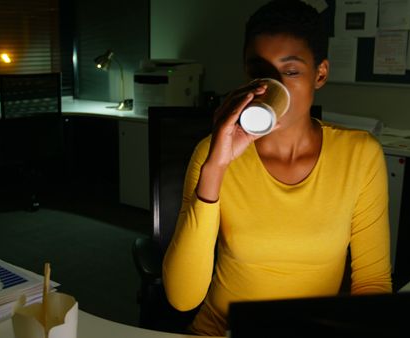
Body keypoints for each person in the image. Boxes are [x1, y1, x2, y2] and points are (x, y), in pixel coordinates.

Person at [161, 0, 393, 336]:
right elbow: (182, 299)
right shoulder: (213, 155)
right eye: (260, 72)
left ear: (321, 74)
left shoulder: (360, 155)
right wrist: (216, 168)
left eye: (291, 71)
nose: (272, 87)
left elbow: (372, 282)